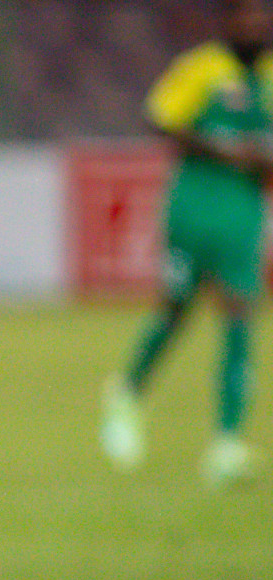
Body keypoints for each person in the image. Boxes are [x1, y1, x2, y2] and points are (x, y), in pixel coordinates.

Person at [102, 0, 271, 487]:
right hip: (193, 208)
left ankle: (227, 444)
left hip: (242, 213)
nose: (256, 27)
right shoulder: (202, 69)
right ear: (229, 23)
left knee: (240, 313)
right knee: (176, 308)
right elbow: (158, 118)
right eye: (247, 18)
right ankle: (127, 391)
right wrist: (224, 150)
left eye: (263, 19)